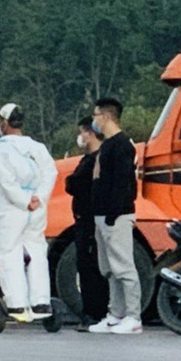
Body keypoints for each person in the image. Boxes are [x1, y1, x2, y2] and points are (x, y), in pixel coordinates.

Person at [0, 102, 58, 321]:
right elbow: (50, 172)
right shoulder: (37, 148)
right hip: (37, 209)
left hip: (13, 209)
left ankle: (17, 305)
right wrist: (39, 197)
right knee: (37, 252)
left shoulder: (1, 150)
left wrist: (24, 201)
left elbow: (6, 182)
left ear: (5, 123)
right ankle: (40, 302)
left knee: (9, 254)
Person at [88, 96, 142, 335]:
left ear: (107, 116)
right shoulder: (107, 145)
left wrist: (113, 213)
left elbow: (124, 184)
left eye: (96, 115)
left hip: (117, 216)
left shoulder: (122, 146)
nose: (94, 120)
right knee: (109, 268)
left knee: (124, 267)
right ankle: (115, 314)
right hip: (101, 216)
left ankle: (133, 316)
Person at [65, 118, 110, 328]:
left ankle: (92, 313)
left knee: (89, 267)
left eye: (82, 132)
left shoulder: (94, 160)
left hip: (88, 220)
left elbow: (74, 184)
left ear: (90, 134)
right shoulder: (94, 159)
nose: (80, 137)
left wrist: (72, 181)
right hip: (87, 218)